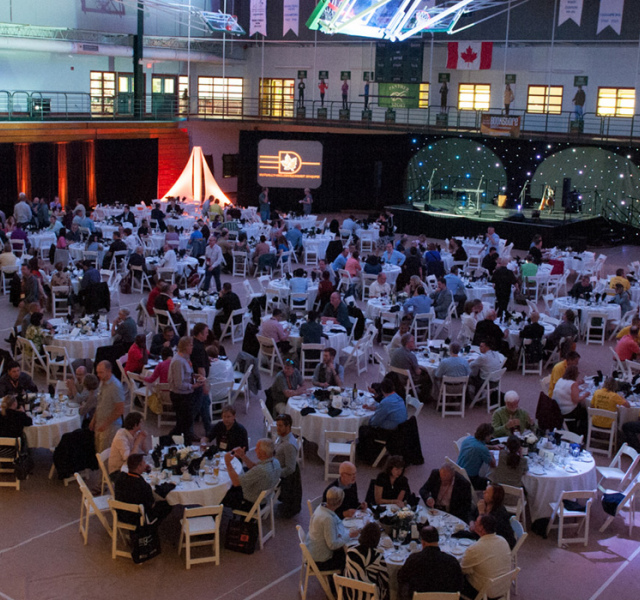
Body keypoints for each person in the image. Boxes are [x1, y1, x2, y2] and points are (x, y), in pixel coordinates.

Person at [398, 525, 463, 599]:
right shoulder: (452, 561)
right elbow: (459, 585)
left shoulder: (414, 559)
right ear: (437, 540)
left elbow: (401, 577)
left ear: (423, 542)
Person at [461, 514, 512, 600]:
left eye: (476, 522)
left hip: (485, 593)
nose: (474, 523)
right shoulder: (503, 541)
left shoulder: (475, 549)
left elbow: (463, 570)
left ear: (481, 528)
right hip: (503, 586)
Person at [307, 486, 358, 572]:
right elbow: (333, 545)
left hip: (312, 551)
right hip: (320, 560)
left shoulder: (321, 507)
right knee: (350, 560)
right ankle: (336, 582)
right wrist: (349, 535)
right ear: (340, 502)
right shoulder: (328, 519)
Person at [222, 438, 281, 510]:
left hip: (250, 503)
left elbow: (236, 482)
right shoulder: (275, 462)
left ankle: (213, 514)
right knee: (241, 472)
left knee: (222, 493)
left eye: (257, 448)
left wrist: (228, 462)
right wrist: (242, 455)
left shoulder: (261, 470)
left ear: (263, 453)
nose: (255, 450)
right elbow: (254, 467)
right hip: (263, 498)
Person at [115, 454, 172, 526]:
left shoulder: (120, 478)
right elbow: (151, 504)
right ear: (139, 467)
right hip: (137, 518)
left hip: (122, 514)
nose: (145, 465)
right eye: (144, 463)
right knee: (168, 504)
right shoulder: (142, 485)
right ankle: (152, 528)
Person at [168, 336, 205, 444]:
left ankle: (182, 442)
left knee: (185, 423)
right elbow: (179, 384)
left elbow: (185, 375)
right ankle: (177, 442)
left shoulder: (185, 358)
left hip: (185, 395)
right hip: (180, 397)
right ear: (184, 347)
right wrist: (194, 386)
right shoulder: (178, 362)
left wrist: (194, 376)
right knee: (183, 424)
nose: (192, 347)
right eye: (190, 345)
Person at [345, 523, 390, 600]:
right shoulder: (377, 557)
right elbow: (385, 580)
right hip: (369, 596)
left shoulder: (350, 551)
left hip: (350, 594)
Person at [90, 361, 125, 453]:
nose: (98, 375)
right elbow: (100, 403)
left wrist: (105, 424)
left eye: (101, 372)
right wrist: (94, 420)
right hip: (100, 423)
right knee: (98, 451)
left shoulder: (116, 387)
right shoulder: (102, 382)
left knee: (105, 454)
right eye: (97, 372)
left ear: (109, 371)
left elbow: (120, 410)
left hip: (110, 427)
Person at [469, 484, 516, 549]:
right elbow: (471, 514)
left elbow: (486, 533)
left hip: (498, 545)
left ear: (493, 498)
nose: (483, 492)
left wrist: (481, 514)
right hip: (483, 539)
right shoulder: (484, 504)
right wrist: (471, 522)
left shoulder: (499, 513)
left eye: (487, 492)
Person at [274, 413, 302, 517]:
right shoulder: (283, 437)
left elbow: (290, 469)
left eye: (280, 426)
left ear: (288, 426)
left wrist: (274, 472)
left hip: (282, 476)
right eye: (277, 425)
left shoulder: (289, 445)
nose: (278, 428)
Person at [107, 412, 148, 477]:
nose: (142, 424)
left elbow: (146, 452)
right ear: (135, 425)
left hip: (129, 467)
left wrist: (143, 439)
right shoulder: (121, 438)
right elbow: (130, 460)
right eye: (140, 422)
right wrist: (137, 443)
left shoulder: (135, 433)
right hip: (118, 471)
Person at [457, 424, 497, 490]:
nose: (491, 437)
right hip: (470, 479)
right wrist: (491, 454)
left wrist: (492, 447)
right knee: (493, 485)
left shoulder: (468, 439)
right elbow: (493, 464)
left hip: (459, 474)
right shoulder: (482, 449)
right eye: (490, 435)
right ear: (486, 436)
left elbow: (479, 445)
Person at [552, 364, 589, 435]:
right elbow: (576, 400)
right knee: (585, 412)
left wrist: (578, 390)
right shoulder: (573, 384)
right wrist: (585, 395)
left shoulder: (560, 380)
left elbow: (567, 392)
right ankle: (582, 433)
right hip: (567, 411)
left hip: (557, 408)